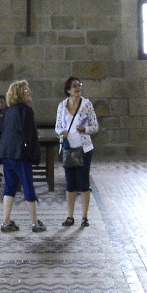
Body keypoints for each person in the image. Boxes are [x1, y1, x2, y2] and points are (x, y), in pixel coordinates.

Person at [0, 78, 42, 232]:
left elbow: (2, 131)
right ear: (19, 94)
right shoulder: (26, 111)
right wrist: (35, 155)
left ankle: (6, 221)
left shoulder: (8, 111)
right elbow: (31, 136)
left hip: (7, 154)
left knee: (9, 186)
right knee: (28, 186)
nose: (30, 92)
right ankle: (35, 223)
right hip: (20, 155)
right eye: (26, 90)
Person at [55, 75, 99, 227]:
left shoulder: (87, 104)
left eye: (79, 85)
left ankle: (85, 217)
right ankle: (70, 217)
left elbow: (95, 126)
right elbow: (57, 126)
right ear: (68, 90)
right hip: (68, 149)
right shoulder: (61, 106)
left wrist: (84, 129)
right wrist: (61, 132)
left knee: (83, 183)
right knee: (70, 184)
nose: (78, 88)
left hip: (84, 149)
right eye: (74, 86)